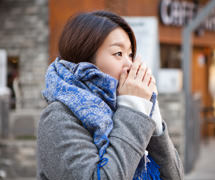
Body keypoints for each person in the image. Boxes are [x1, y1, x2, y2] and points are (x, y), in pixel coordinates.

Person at [37, 10, 184, 180]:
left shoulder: (120, 106)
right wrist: (134, 108)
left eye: (130, 54)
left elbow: (174, 176)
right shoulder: (58, 117)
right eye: (118, 54)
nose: (130, 64)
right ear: (85, 58)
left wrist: (153, 116)